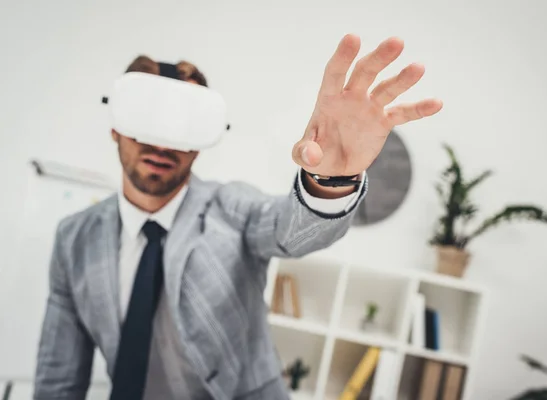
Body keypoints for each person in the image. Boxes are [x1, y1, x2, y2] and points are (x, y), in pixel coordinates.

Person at [33, 34, 443, 400]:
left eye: (182, 126)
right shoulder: (74, 239)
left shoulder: (233, 209)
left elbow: (292, 230)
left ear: (202, 141)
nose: (160, 142)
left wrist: (331, 178)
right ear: (116, 126)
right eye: (146, 120)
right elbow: (58, 375)